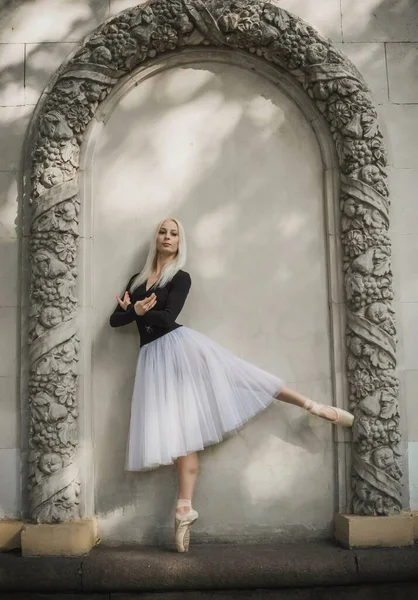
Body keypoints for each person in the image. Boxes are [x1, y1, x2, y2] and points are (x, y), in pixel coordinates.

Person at [109, 217, 354, 553]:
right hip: (152, 360)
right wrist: (134, 309)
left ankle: (312, 405)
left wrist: (137, 311)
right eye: (163, 232)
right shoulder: (137, 281)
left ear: (180, 242)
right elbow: (114, 319)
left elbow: (166, 318)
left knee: (239, 375)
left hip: (179, 347)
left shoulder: (180, 277)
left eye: (174, 233)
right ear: (156, 239)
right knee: (181, 434)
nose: (167, 237)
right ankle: (183, 510)